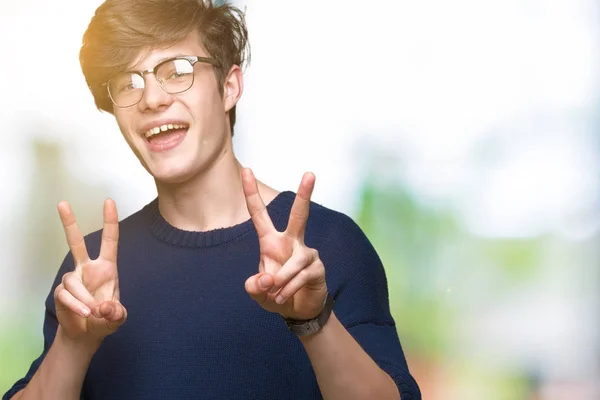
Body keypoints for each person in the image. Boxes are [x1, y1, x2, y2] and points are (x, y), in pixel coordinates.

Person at [3, 1, 421, 399]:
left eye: (176, 70)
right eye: (128, 82)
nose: (152, 99)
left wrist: (314, 320)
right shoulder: (91, 271)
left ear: (229, 87)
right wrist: (74, 344)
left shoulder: (328, 245)